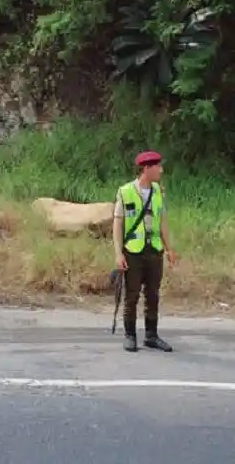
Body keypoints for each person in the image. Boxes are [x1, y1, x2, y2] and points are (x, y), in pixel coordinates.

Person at [113, 150, 177, 353]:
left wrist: (169, 248)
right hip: (133, 250)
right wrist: (118, 253)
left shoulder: (158, 191)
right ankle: (130, 335)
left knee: (153, 294)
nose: (161, 170)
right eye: (157, 166)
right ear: (146, 169)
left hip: (154, 250)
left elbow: (163, 221)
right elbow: (117, 224)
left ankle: (151, 336)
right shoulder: (125, 192)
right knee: (131, 295)